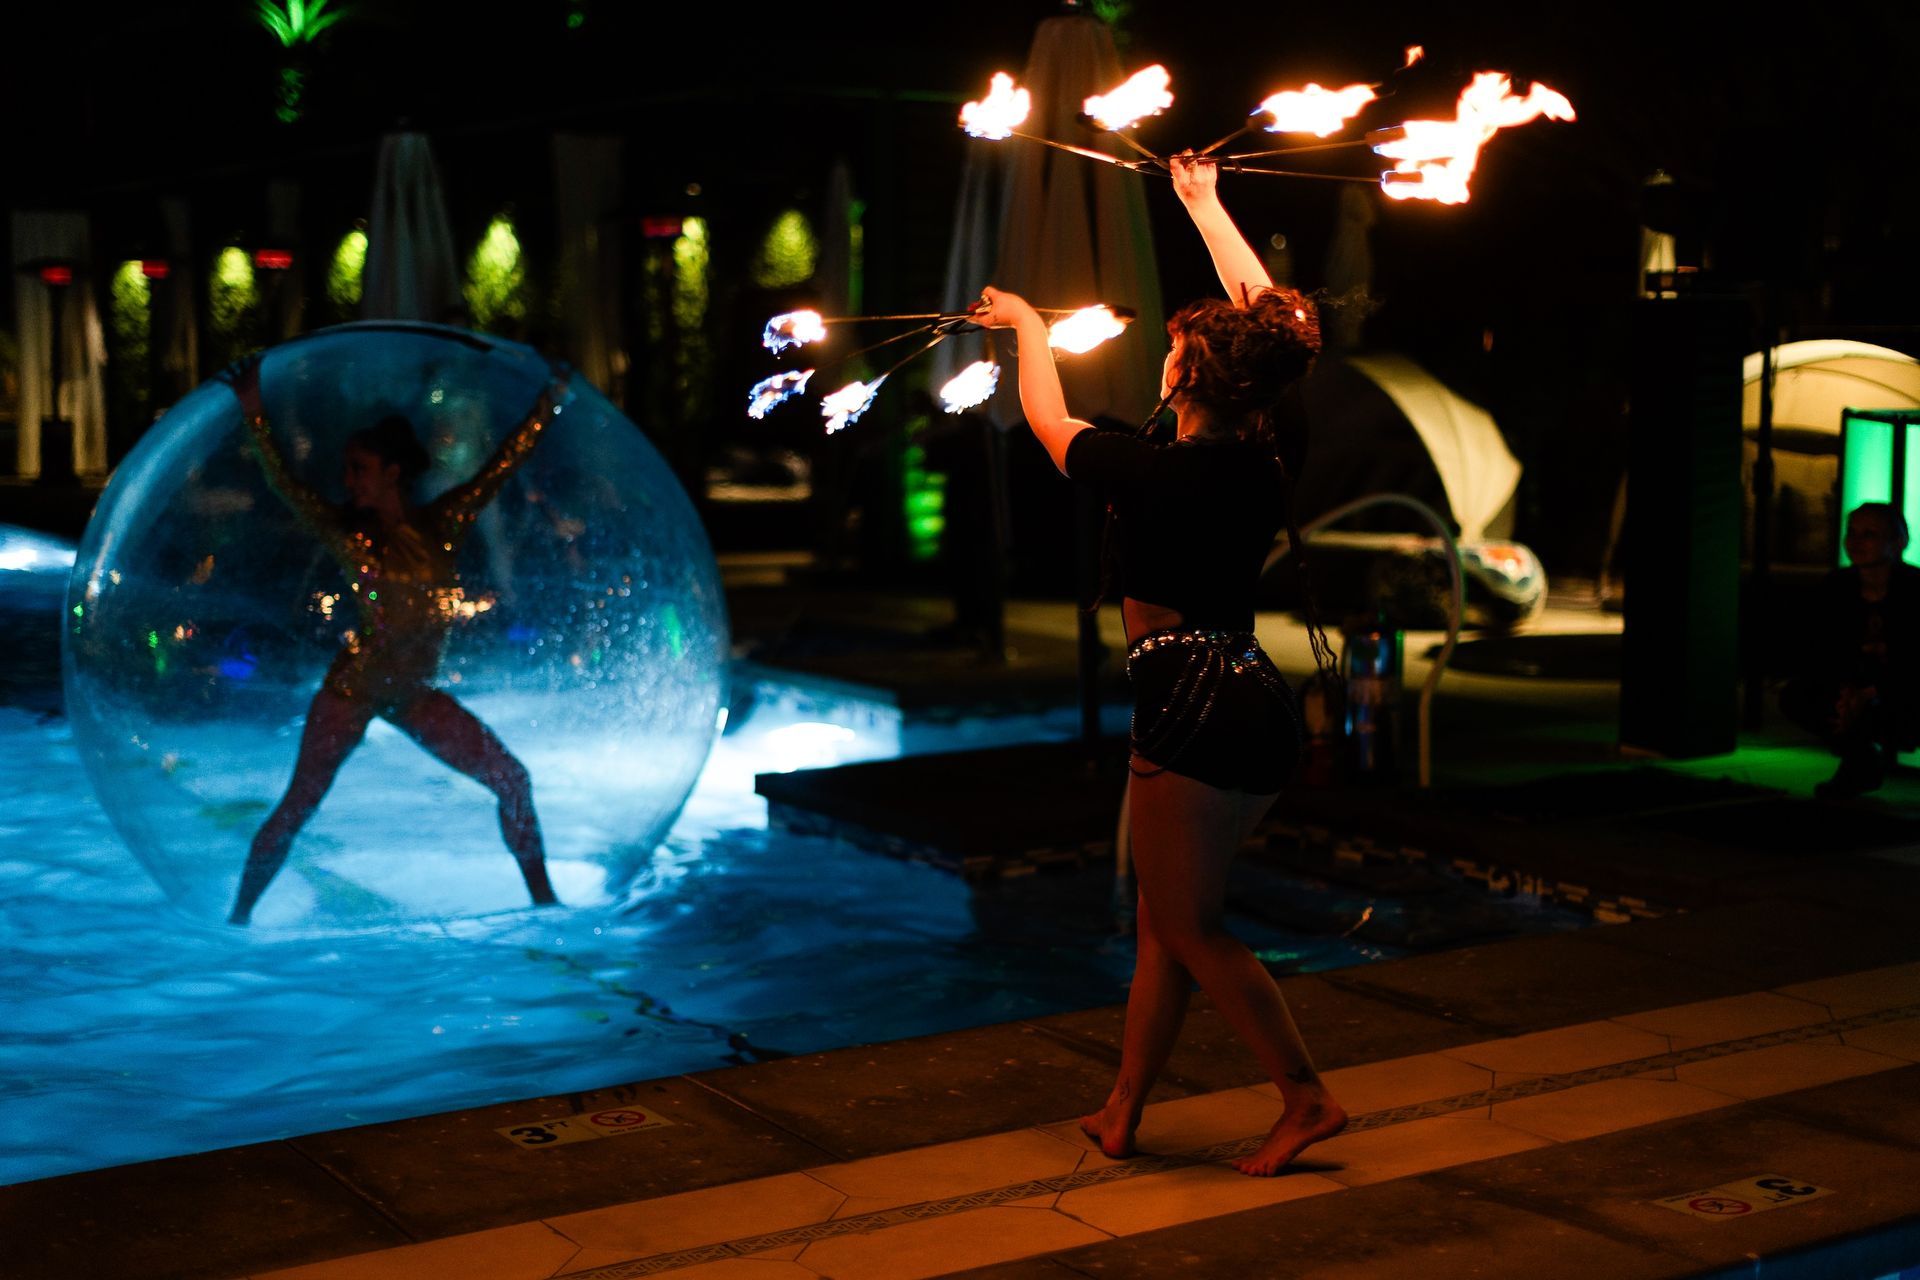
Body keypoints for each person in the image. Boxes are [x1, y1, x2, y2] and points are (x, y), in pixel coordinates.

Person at [973, 151, 1345, 1177]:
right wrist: (1203, 202)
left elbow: (1050, 424)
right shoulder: (1268, 451)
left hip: (1190, 703)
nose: (1168, 355)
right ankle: (1123, 1107)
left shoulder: (1156, 470)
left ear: (1186, 376)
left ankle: (1305, 1095)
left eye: (1177, 350)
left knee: (1193, 925)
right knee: (1163, 925)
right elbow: (1268, 321)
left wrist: (1031, 329)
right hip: (1246, 696)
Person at [224, 357, 567, 924]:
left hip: (413, 692)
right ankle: (238, 919)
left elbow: (502, 466)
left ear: (392, 472)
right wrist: (254, 413)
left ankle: (546, 903)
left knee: (513, 780)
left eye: (359, 468)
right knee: (298, 806)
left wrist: (547, 403)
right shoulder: (351, 536)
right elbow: (285, 485)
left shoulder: (443, 524)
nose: (348, 480)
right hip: (352, 689)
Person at [1780, 502, 1920, 799]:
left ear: (1898, 542)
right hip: (1850, 686)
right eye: (1852, 532)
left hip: (1900, 688)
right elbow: (1820, 648)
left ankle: (1863, 756)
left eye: (1869, 534)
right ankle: (1861, 756)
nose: (1856, 542)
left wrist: (1870, 692)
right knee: (1798, 696)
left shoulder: (1914, 589)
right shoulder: (1837, 586)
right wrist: (1847, 692)